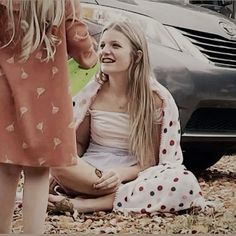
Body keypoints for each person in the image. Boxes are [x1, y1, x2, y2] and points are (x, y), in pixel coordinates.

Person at [48, 19, 205, 215]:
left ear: (137, 56)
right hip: (91, 173)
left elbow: (149, 162)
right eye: (103, 45)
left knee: (183, 182)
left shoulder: (155, 98)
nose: (105, 51)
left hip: (131, 178)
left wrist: (120, 174)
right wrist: (70, 167)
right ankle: (100, 195)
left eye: (115, 46)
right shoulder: (92, 93)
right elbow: (78, 143)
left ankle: (87, 204)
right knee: (54, 155)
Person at [0, 0, 97, 233]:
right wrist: (90, 56)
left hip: (4, 89)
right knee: (38, 170)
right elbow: (77, 37)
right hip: (47, 96)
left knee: (5, 166)